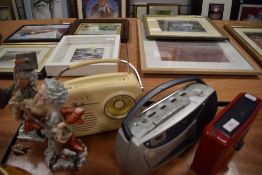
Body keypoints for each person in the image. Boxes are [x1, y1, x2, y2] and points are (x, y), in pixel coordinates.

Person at [33, 78, 87, 170]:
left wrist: (61, 125)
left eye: (43, 93)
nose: (40, 94)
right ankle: (59, 154)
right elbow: (37, 105)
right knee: (55, 148)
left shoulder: (59, 111)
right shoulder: (47, 109)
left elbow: (79, 111)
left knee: (70, 147)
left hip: (63, 136)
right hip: (53, 135)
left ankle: (73, 156)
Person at [0, 52, 44, 141]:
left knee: (29, 121)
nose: (20, 81)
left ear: (30, 79)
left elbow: (36, 103)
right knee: (21, 119)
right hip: (18, 109)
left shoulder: (32, 90)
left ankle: (33, 131)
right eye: (18, 78)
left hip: (28, 111)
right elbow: (9, 94)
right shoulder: (15, 86)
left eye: (23, 79)